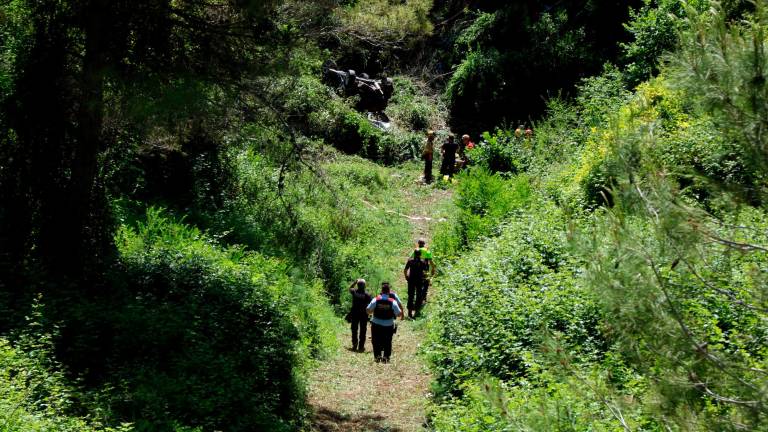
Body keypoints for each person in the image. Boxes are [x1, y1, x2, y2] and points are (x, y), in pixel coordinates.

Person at [367, 282, 403, 363]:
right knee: (387, 341)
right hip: (388, 325)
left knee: (376, 341)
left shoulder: (376, 299)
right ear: (389, 291)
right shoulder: (392, 301)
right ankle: (386, 358)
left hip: (376, 324)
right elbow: (399, 313)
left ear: (381, 291)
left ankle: (377, 357)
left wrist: (372, 312)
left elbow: (368, 310)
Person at [348, 278, 372, 352]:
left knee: (354, 330)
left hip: (354, 314)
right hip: (363, 315)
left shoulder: (354, 292)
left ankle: (354, 344)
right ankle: (361, 346)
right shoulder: (367, 294)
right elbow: (371, 305)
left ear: (357, 286)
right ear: (364, 286)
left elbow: (350, 288)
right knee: (363, 331)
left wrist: (355, 281)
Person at [403, 249, 428, 318]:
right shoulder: (423, 262)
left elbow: (405, 270)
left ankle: (409, 312)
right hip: (419, 281)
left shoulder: (410, 261)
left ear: (414, 254)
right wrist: (425, 278)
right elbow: (425, 272)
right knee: (418, 295)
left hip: (411, 280)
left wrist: (406, 277)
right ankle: (416, 311)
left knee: (411, 295)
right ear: (420, 255)